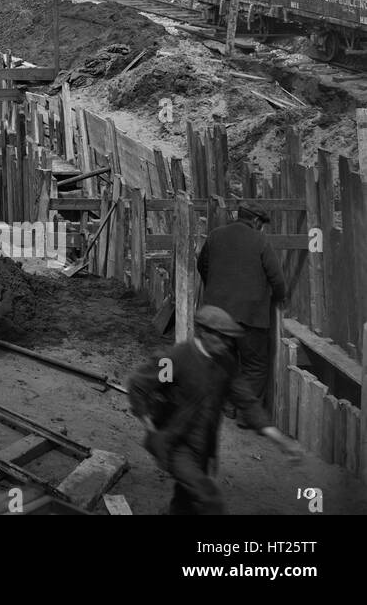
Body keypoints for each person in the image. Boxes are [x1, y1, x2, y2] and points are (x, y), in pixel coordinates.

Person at [126, 305, 302, 515]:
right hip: (175, 444)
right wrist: (150, 426)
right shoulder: (177, 358)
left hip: (203, 447)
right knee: (209, 498)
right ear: (203, 332)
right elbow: (138, 384)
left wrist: (279, 439)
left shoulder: (225, 364)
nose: (226, 343)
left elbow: (246, 401)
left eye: (229, 339)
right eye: (221, 337)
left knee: (184, 501)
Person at [198, 204, 287, 411]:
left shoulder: (215, 236)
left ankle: (226, 405)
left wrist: (215, 288)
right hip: (251, 315)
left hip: (217, 314)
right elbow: (277, 279)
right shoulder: (261, 241)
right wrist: (280, 298)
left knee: (220, 359)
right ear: (256, 222)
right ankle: (248, 413)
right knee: (254, 365)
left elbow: (202, 266)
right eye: (261, 225)